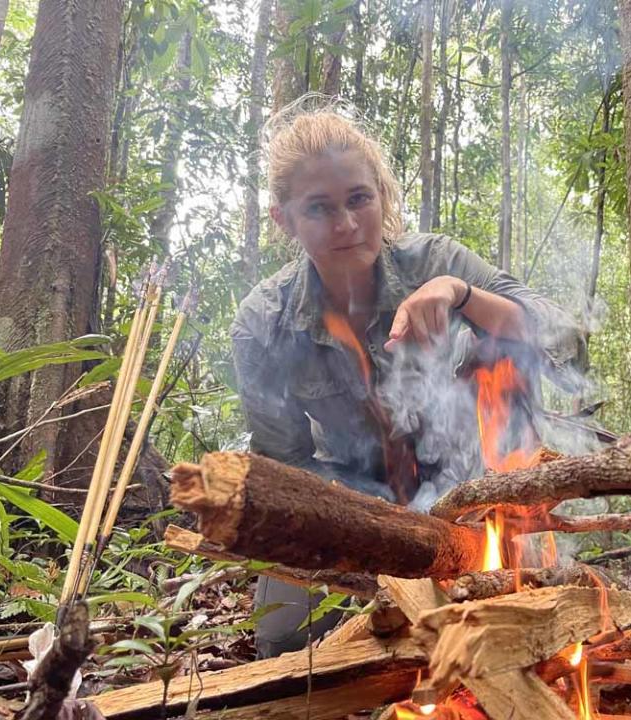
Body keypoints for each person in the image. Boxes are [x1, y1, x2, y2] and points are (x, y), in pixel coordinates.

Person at [231, 100, 585, 657]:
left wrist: (459, 294)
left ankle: (518, 574)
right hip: (354, 499)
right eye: (320, 208)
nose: (347, 224)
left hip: (474, 488)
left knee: (499, 640)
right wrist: (373, 521)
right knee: (284, 642)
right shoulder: (262, 323)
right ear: (285, 219)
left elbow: (564, 342)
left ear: (382, 194)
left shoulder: (433, 262)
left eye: (359, 199)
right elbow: (287, 465)